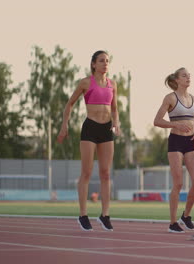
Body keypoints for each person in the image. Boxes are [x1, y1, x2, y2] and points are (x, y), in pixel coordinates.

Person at [57, 50, 120, 231]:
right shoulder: (86, 82)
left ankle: (105, 214)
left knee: (106, 173)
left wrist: (116, 122)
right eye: (101, 61)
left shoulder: (112, 84)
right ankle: (83, 215)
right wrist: (64, 125)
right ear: (93, 64)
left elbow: (114, 108)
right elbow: (69, 103)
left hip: (106, 129)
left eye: (107, 60)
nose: (105, 63)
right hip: (90, 128)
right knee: (86, 172)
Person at [154, 67, 194, 233]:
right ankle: (173, 222)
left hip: (190, 142)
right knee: (179, 183)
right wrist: (174, 124)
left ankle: (186, 216)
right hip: (175, 142)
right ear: (177, 80)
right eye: (184, 75)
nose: (188, 77)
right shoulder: (170, 98)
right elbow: (157, 121)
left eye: (189, 75)